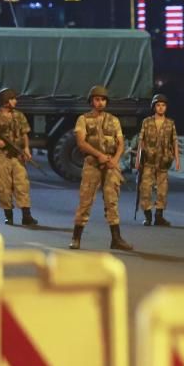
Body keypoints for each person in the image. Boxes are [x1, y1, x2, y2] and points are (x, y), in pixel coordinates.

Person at [69, 85, 132, 250]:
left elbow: (120, 143)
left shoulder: (114, 120)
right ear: (91, 101)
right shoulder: (83, 119)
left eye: (103, 99)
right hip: (92, 165)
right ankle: (76, 238)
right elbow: (81, 143)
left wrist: (115, 160)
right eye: (97, 99)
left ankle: (116, 239)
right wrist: (99, 155)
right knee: (85, 201)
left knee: (112, 201)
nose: (100, 102)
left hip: (110, 165)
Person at [0, 87, 38, 226]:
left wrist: (26, 149)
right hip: (2, 156)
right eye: (13, 99)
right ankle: (9, 215)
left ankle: (26, 216)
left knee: (22, 184)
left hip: (17, 154)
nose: (15, 101)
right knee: (3, 185)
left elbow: (25, 133)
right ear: (6, 101)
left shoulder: (19, 115)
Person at [136, 93, 180, 226]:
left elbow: (175, 142)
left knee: (162, 190)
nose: (161, 108)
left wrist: (177, 160)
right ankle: (148, 215)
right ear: (154, 107)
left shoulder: (170, 123)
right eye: (158, 105)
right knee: (145, 188)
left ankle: (159, 216)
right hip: (148, 160)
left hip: (163, 161)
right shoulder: (147, 122)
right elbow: (141, 141)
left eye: (163, 105)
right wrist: (137, 159)